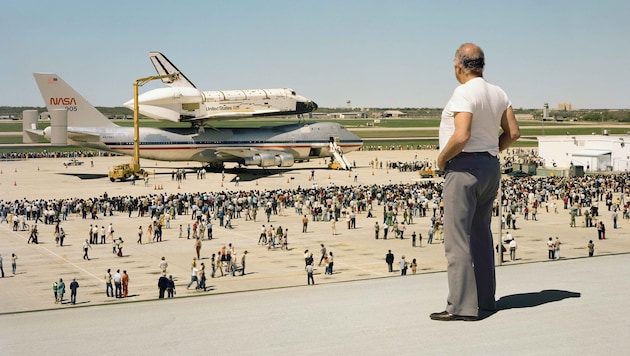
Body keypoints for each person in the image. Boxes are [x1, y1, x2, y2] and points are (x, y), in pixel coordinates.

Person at [430, 43, 520, 322]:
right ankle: (485, 300)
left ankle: (460, 306)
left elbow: (461, 135)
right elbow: (514, 133)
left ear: (459, 66)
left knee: (457, 239)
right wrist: (492, 150)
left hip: (464, 167)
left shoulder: (464, 92)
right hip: (490, 167)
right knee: (481, 234)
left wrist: (441, 160)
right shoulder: (498, 92)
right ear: (482, 65)